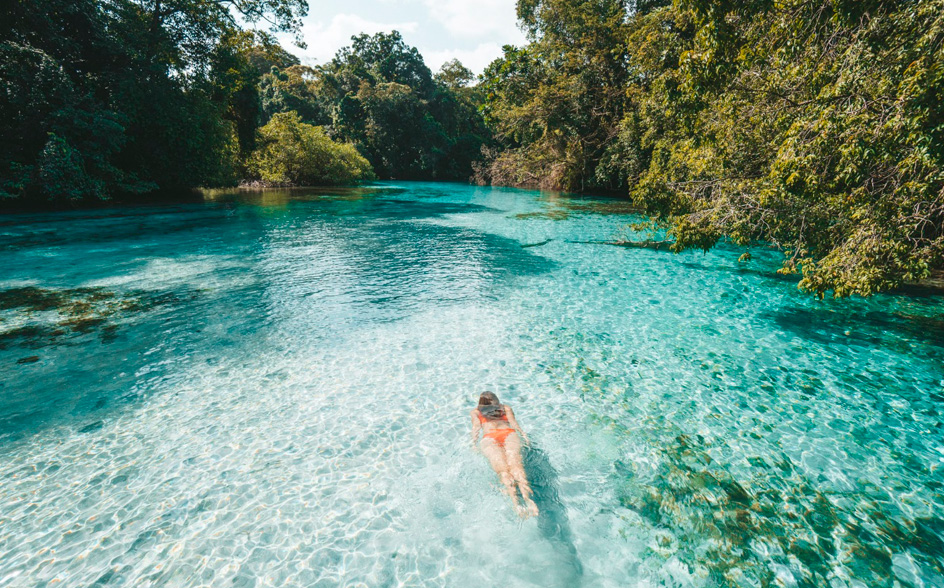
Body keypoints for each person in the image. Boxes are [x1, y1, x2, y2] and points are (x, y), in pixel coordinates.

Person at [471, 391, 539, 517]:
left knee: (503, 471)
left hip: (489, 437)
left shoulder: (476, 412)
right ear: (496, 400)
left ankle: (516, 504)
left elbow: (476, 428)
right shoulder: (505, 408)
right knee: (516, 466)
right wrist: (524, 436)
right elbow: (514, 424)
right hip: (508, 433)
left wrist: (473, 444)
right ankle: (528, 499)